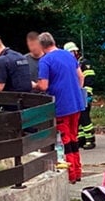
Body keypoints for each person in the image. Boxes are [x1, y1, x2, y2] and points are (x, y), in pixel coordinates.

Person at [35, 32, 87, 184]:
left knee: (65, 141)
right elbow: (81, 76)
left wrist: (34, 85)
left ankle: (70, 174)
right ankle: (77, 171)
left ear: (41, 46)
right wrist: (75, 92)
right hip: (76, 104)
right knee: (74, 138)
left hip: (61, 106)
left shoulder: (45, 61)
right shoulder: (68, 55)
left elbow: (43, 86)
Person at [65, 42, 97, 149]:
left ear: (75, 51)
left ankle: (90, 139)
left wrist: (87, 92)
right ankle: (81, 139)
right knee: (77, 117)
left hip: (84, 93)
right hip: (75, 94)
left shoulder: (84, 63)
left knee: (84, 116)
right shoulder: (71, 63)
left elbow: (90, 78)